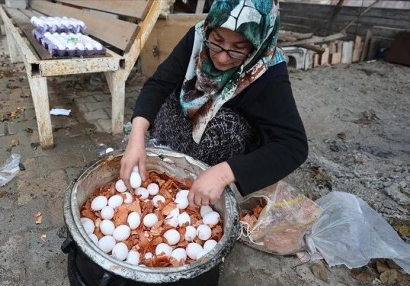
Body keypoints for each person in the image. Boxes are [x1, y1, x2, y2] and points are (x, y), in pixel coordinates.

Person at [120, 0, 308, 207]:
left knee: (224, 124)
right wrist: (136, 136)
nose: (221, 58)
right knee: (169, 99)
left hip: (224, 147)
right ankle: (171, 155)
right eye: (216, 41)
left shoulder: (268, 71)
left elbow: (293, 146)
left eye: (237, 50)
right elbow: (159, 83)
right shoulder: (198, 37)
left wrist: (225, 173)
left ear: (257, 45)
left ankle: (206, 175)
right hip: (184, 128)